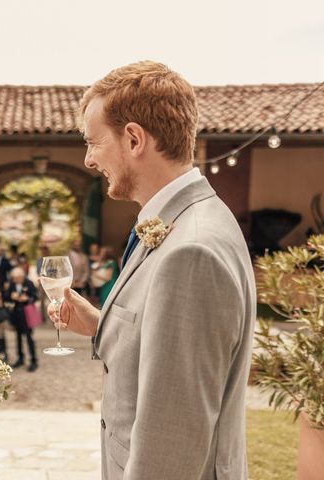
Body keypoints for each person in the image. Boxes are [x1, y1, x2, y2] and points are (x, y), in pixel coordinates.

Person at [52, 61, 255, 479]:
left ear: (133, 139)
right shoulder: (188, 219)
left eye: (93, 142)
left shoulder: (191, 251)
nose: (89, 159)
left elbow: (173, 437)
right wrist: (102, 324)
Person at [5, 267, 38, 372]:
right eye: (14, 278)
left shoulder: (29, 283)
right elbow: (6, 297)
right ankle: (20, 358)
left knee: (29, 337)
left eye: (18, 278)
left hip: (27, 314)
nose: (16, 280)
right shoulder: (12, 283)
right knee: (18, 337)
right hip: (16, 314)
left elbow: (35, 296)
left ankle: (33, 360)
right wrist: (11, 296)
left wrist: (27, 298)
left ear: (22, 277)